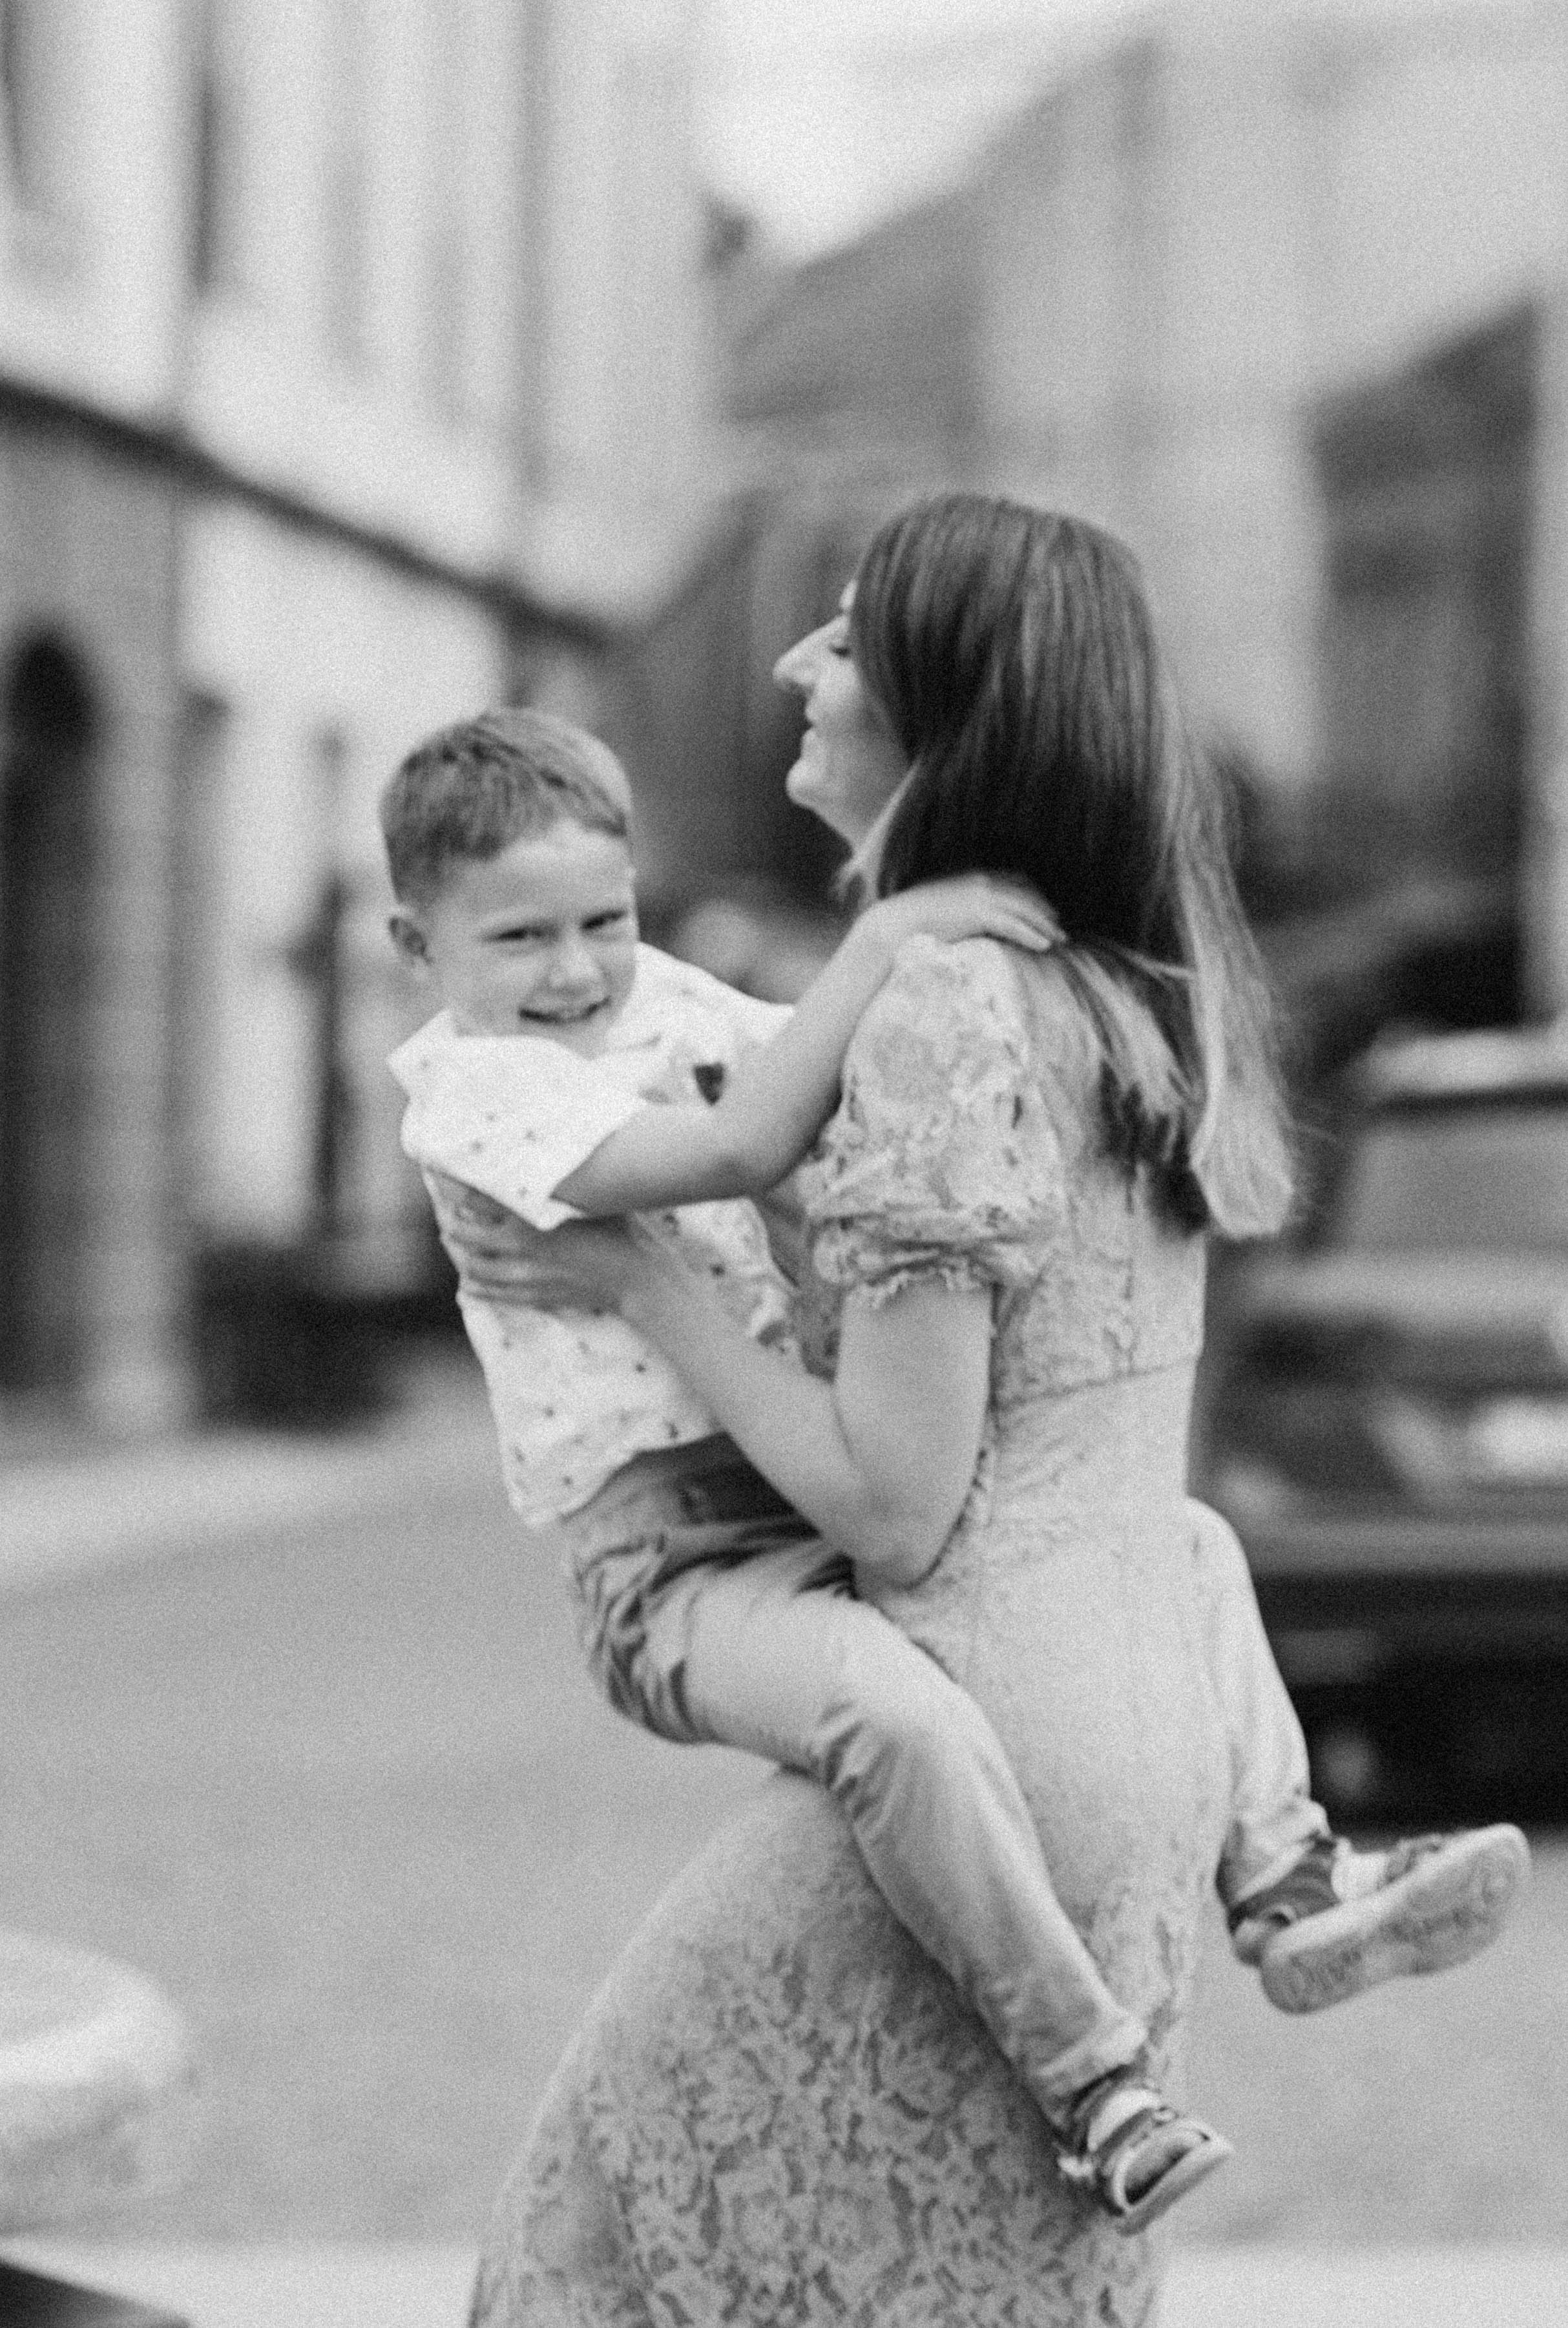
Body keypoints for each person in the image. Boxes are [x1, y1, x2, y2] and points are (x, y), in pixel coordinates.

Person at [441, 500, 1529, 2325]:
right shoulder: (1129, 993)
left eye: (844, 636)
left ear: (945, 713)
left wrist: (654, 1291)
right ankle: (1297, 1880)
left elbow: (889, 1503)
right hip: (1139, 1766)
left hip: (972, 1752)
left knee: (582, 2272)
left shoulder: (945, 1002)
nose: (795, 663)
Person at [379, 705, 1231, 2233]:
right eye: (518, 938)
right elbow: (735, 1147)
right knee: (886, 1717)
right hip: (674, 1572)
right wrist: (894, 926)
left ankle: (1289, 1866)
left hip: (796, 1486)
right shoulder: (472, 1090)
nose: (574, 971)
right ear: (416, 944)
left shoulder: (651, 1008)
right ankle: (1095, 2079)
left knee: (1173, 1539)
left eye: (605, 920)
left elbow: (836, 1082)